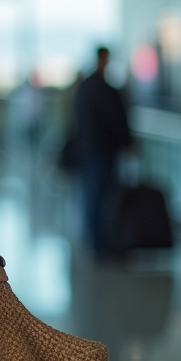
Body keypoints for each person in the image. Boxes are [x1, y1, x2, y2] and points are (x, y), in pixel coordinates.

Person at [73, 47, 132, 255]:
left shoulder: (85, 88)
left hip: (89, 149)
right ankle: (100, 243)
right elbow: (114, 119)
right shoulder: (103, 89)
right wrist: (127, 142)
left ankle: (95, 241)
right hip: (103, 150)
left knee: (92, 196)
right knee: (101, 196)